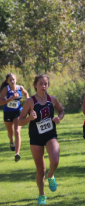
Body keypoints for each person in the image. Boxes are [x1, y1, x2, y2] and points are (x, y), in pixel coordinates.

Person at [18, 74, 65, 205]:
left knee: (55, 161)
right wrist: (29, 118)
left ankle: (51, 176)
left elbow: (61, 111)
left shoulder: (52, 99)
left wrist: (59, 118)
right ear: (35, 85)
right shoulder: (30, 101)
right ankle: (42, 194)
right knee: (40, 169)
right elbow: (20, 122)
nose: (43, 86)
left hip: (50, 135)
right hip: (36, 137)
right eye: (40, 84)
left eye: (45, 84)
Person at [0, 73, 29, 162]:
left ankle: (17, 153)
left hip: (18, 112)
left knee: (17, 131)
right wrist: (11, 98)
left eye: (13, 79)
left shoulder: (20, 88)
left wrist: (28, 101)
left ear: (16, 80)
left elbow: (26, 93)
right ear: (7, 81)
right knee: (11, 133)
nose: (12, 81)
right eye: (10, 80)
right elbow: (0, 102)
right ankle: (11, 141)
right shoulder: (6, 89)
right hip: (8, 113)